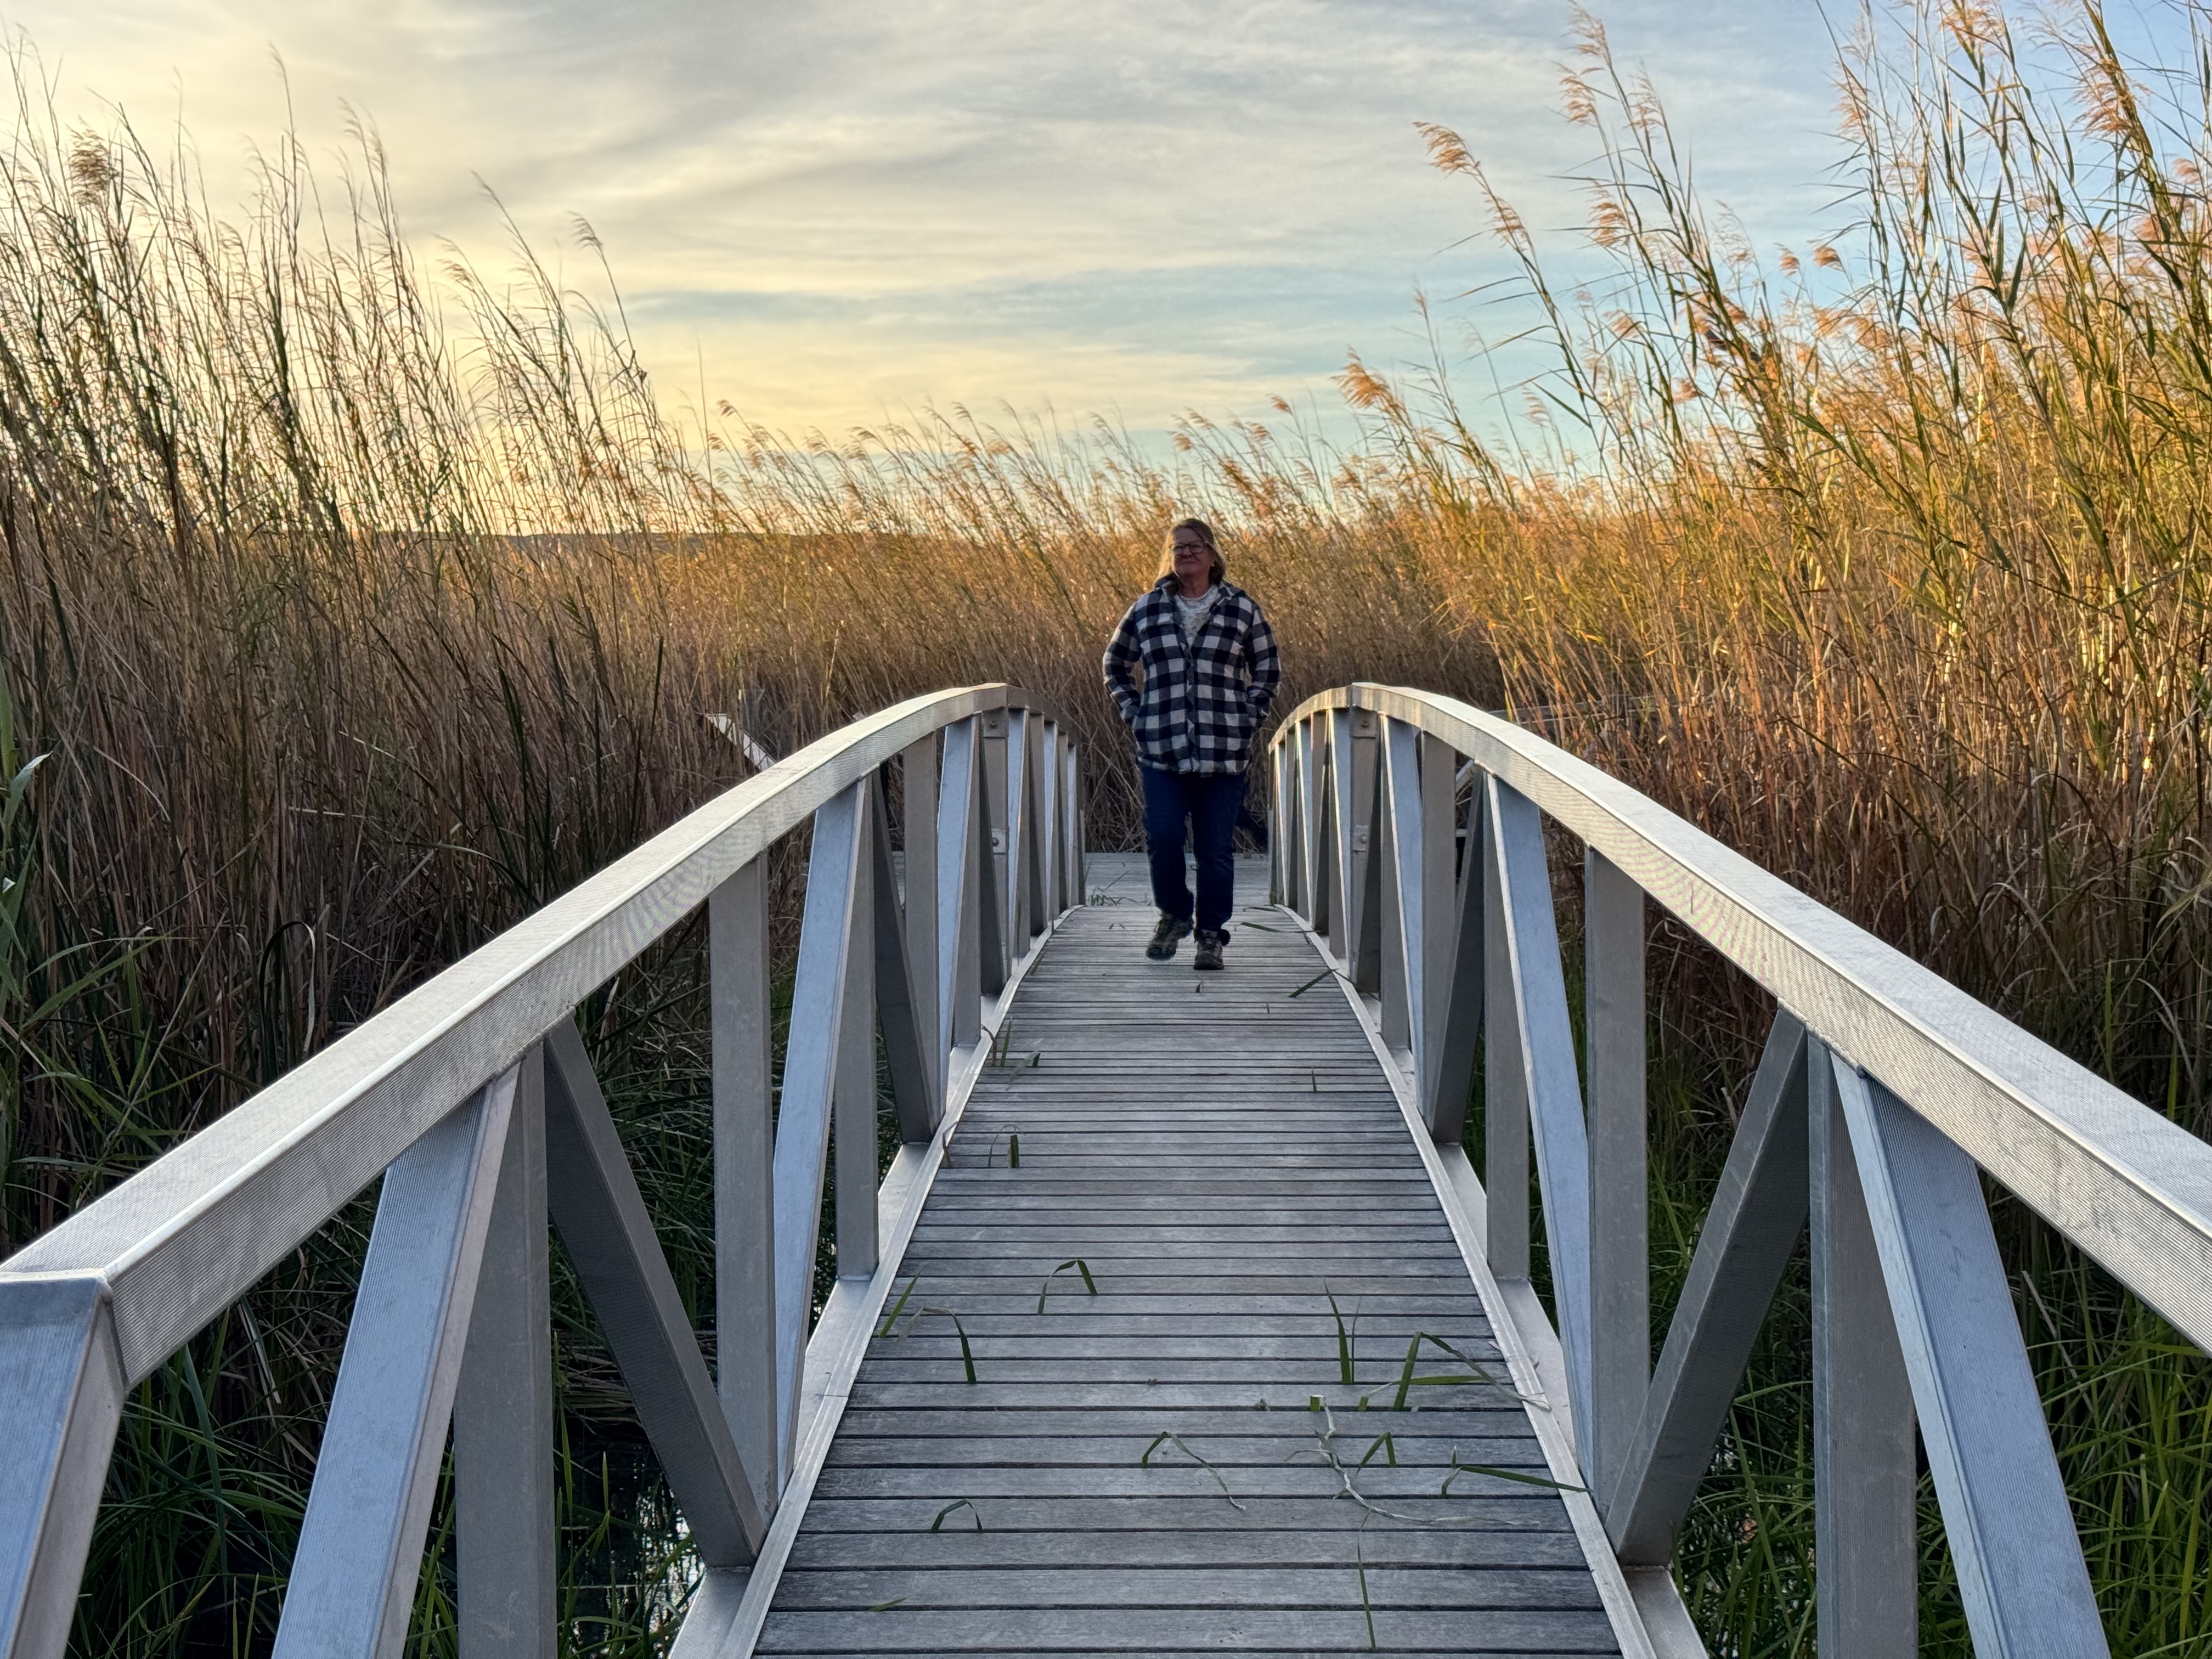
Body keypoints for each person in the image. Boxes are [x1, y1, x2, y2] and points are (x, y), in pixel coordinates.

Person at [1102, 517, 1280, 970]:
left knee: (1215, 849)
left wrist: (1249, 716)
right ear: (1169, 555)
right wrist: (1135, 713)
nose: (1186, 554)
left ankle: (1210, 935)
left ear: (1213, 553)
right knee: (1163, 837)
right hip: (1161, 749)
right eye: (1178, 547)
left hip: (1224, 754)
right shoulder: (1147, 609)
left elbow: (1267, 670)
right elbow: (1115, 663)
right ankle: (1175, 915)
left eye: (1195, 546)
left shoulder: (1241, 608)